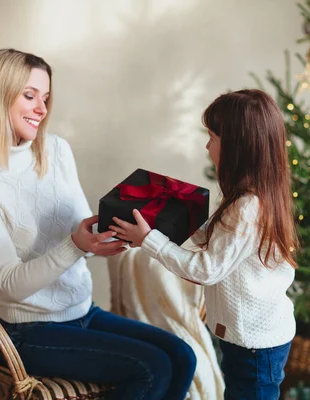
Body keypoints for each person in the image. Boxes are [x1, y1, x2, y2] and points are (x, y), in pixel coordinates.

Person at [0, 48, 196, 400]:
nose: (42, 109)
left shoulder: (56, 150)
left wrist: (116, 235)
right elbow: (12, 284)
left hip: (82, 311)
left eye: (45, 97)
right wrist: (77, 245)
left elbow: (84, 233)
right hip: (30, 330)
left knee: (182, 356)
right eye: (30, 96)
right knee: (151, 367)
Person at [111, 89, 299, 400]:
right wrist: (168, 213)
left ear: (238, 148)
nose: (207, 144)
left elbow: (206, 268)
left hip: (255, 344)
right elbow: (216, 237)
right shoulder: (252, 195)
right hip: (252, 338)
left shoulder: (248, 207)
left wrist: (149, 240)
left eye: (212, 137)